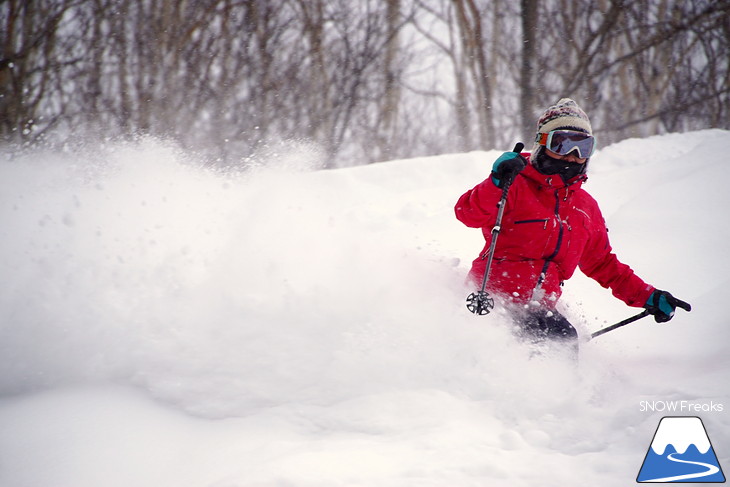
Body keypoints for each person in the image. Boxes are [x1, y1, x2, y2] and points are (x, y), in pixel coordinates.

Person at [454, 98, 690, 353]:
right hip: (488, 301)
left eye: (583, 147)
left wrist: (648, 296)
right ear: (542, 143)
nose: (572, 155)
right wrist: (496, 182)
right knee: (559, 338)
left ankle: (554, 391)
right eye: (562, 143)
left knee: (561, 340)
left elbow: (602, 264)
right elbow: (468, 214)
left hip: (538, 309)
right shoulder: (514, 183)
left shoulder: (584, 208)